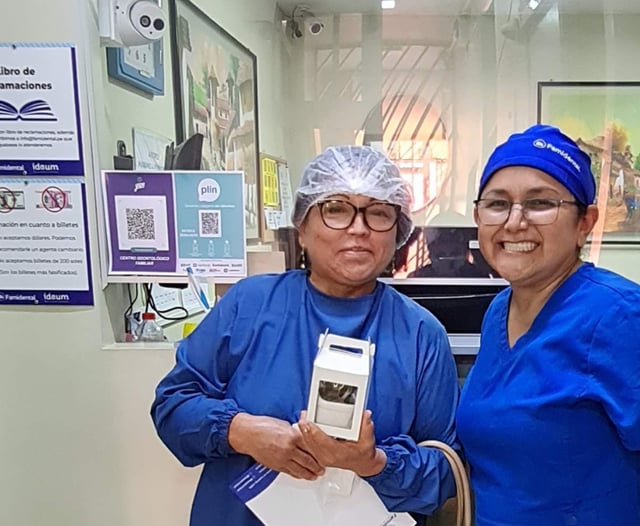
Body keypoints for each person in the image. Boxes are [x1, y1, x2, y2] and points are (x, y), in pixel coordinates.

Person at [151, 145, 460, 526]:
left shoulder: (421, 335)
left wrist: (373, 463)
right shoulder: (249, 305)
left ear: (398, 231)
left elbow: (446, 469)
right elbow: (172, 407)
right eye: (336, 209)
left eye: (379, 212)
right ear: (302, 226)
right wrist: (240, 431)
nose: (359, 228)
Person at [456, 124, 640, 526]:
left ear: (585, 222)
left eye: (540, 203)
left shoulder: (624, 317)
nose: (514, 222)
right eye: (497, 204)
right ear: (478, 217)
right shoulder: (500, 311)